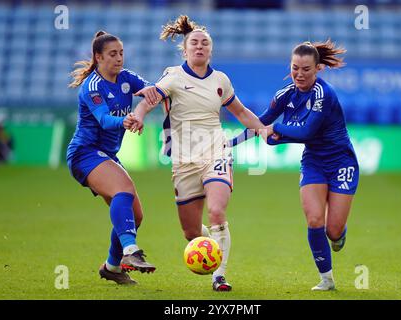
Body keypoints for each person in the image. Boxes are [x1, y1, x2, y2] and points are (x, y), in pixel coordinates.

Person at [129, 15, 266, 291]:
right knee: (191, 233)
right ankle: (211, 246)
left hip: (216, 151)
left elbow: (239, 112)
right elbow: (150, 99)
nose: (200, 46)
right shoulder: (173, 77)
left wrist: (263, 129)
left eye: (205, 43)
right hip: (183, 161)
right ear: (186, 49)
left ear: (211, 50)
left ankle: (220, 276)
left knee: (216, 212)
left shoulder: (221, 80)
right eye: (195, 42)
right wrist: (139, 114)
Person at [230, 40, 359, 291]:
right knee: (313, 220)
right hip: (314, 162)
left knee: (332, 231)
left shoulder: (324, 94)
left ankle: (338, 234)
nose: (299, 74)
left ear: (318, 68)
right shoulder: (286, 94)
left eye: (306, 69)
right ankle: (327, 279)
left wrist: (276, 131)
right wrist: (229, 144)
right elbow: (259, 123)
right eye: (295, 68)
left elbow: (307, 131)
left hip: (342, 161)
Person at [67, 30, 160, 285]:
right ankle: (130, 252)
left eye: (121, 53)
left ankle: (112, 267)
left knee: (136, 215)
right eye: (112, 54)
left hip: (106, 155)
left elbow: (152, 91)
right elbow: (105, 120)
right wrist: (127, 119)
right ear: (98, 57)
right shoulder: (93, 86)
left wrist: (163, 91)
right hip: (84, 152)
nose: (119, 58)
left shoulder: (127, 78)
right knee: (124, 189)